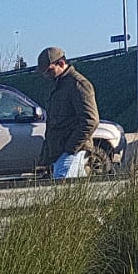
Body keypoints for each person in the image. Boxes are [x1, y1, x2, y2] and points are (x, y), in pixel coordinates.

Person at [37, 46, 99, 179]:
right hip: (59, 151)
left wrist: (70, 149)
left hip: (72, 152)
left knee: (63, 192)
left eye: (49, 70)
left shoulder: (78, 84)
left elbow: (90, 121)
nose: (46, 75)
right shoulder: (57, 84)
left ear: (61, 63)